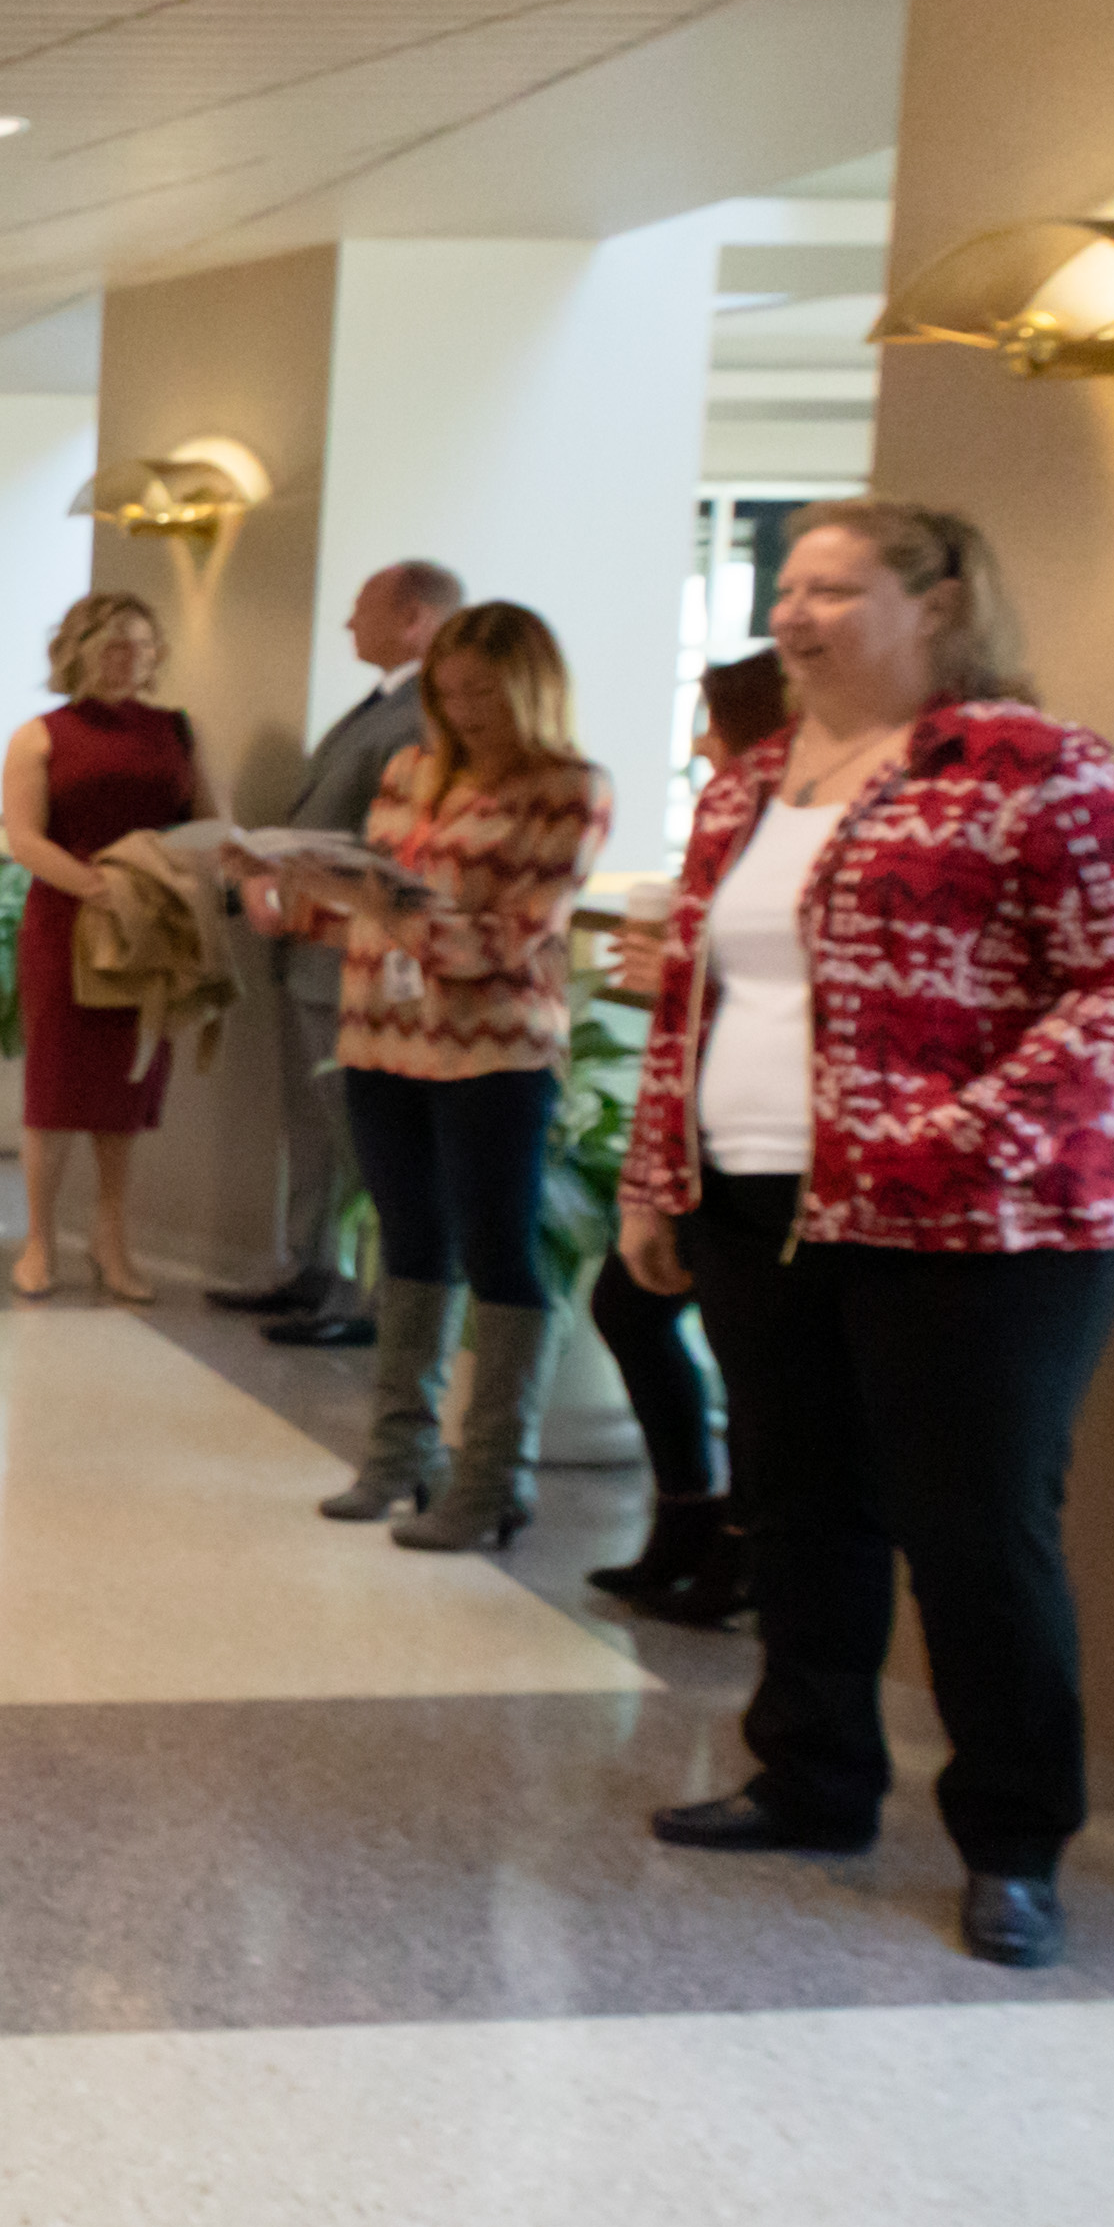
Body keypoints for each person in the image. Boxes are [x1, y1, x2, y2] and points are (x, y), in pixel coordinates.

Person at [620, 503, 1114, 1972]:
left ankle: (1013, 1846)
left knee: (972, 1533)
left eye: (834, 589)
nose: (793, 615)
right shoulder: (747, 782)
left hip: (988, 1226)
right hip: (759, 1198)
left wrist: (973, 1135)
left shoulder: (1031, 766)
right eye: (787, 588)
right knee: (798, 1507)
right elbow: (694, 997)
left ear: (937, 603)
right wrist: (654, 1180)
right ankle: (810, 1781)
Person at [308, 603, 611, 1553]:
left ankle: (492, 1475)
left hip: (492, 1048)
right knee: (409, 1242)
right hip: (381, 1033)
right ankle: (400, 1456)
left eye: (483, 693)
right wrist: (299, 892)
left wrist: (395, 916)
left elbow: (514, 938)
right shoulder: (411, 769)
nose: (464, 710)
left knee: (496, 1248)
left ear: (530, 690)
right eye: (449, 693)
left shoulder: (570, 789)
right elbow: (368, 902)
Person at [580, 649, 797, 1625]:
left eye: (716, 723)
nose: (703, 742)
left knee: (753, 1360)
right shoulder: (730, 819)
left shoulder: (799, 824)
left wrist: (679, 964)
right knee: (630, 1307)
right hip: (702, 1125)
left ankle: (743, 1544)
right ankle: (690, 1511)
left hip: (772, 1143)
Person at [215, 561, 460, 1345]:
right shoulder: (379, 704)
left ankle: (373, 1297)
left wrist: (297, 873)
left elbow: (393, 844)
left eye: (363, 608)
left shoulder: (425, 717)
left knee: (362, 1139)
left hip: (353, 950)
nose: (349, 623)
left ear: (416, 619)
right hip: (309, 944)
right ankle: (311, 1267)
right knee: (312, 1126)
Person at [0, 592, 204, 1302]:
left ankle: (112, 1240)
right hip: (67, 923)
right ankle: (39, 1241)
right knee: (54, 1089)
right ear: (78, 650)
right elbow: (25, 838)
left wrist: (162, 881)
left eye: (143, 646)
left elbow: (211, 821)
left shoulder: (177, 730)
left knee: (127, 1088)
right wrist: (96, 887)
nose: (130, 659)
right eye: (115, 645)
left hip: (151, 926)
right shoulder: (40, 735)